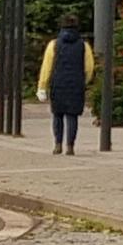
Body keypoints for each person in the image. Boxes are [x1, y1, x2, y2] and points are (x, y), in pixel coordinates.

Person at [41, 17, 91, 155]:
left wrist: (42, 86)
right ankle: (70, 145)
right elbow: (89, 67)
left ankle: (58, 144)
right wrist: (83, 80)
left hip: (58, 83)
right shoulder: (83, 45)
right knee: (72, 116)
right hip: (76, 84)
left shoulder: (54, 44)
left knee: (57, 115)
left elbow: (47, 67)